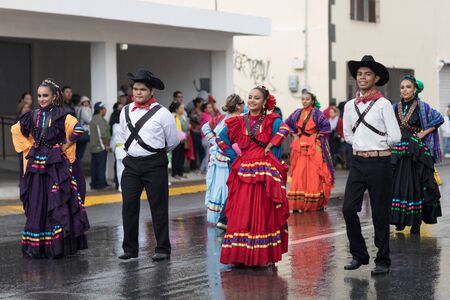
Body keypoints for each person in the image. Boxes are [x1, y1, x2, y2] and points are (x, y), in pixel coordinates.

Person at [10, 78, 89, 258]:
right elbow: (16, 130)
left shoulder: (63, 114)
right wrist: (29, 148)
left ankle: (58, 245)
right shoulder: (32, 115)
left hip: (55, 164)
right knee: (38, 201)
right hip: (37, 165)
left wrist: (63, 146)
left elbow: (78, 130)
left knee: (56, 201)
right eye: (39, 96)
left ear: (54, 96)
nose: (42, 99)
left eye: (45, 95)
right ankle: (41, 246)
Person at [342, 55, 401, 276]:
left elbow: (395, 136)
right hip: (357, 162)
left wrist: (378, 145)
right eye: (359, 74)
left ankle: (382, 260)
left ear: (376, 78)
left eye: (367, 74)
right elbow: (347, 134)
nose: (363, 77)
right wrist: (361, 144)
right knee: (348, 209)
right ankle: (359, 254)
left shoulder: (384, 104)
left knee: (380, 213)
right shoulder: (349, 106)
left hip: (380, 162)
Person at [217, 86, 289, 267]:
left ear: (264, 102)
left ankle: (260, 256)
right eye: (249, 97)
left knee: (262, 211)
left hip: (264, 172)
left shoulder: (272, 120)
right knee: (241, 211)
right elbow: (221, 139)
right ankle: (241, 255)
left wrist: (271, 145)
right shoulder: (239, 121)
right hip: (243, 171)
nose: (251, 100)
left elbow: (284, 129)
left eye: (256, 98)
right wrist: (235, 157)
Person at [118, 68, 179, 261]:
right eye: (135, 89)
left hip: (154, 165)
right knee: (128, 205)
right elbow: (122, 134)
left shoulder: (163, 114)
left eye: (142, 89)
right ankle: (130, 249)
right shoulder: (125, 111)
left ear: (151, 91)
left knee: (158, 207)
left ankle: (162, 248)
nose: (138, 92)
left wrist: (154, 154)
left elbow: (173, 140)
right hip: (131, 165)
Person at [391, 75, 443, 234]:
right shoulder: (394, 107)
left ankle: (415, 222)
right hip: (398, 148)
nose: (404, 90)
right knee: (396, 184)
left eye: (408, 87)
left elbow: (438, 119)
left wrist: (423, 133)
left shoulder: (422, 106)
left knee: (415, 184)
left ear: (415, 89)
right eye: (402, 87)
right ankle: (399, 220)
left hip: (416, 149)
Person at [281, 92, 334, 212]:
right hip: (299, 147)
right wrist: (293, 134)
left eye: (307, 99)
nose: (304, 101)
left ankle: (314, 204)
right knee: (299, 174)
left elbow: (326, 127)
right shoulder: (297, 112)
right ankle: (298, 203)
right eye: (303, 99)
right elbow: (287, 124)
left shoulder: (317, 113)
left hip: (313, 147)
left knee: (313, 174)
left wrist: (317, 137)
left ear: (312, 101)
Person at [202, 94, 245, 226]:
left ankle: (222, 217)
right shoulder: (243, 119)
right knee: (230, 186)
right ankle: (228, 217)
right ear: (238, 105)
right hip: (232, 157)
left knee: (220, 186)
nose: (245, 105)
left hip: (220, 156)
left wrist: (215, 143)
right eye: (243, 102)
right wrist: (216, 142)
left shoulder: (221, 118)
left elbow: (205, 128)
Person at [89, 101, 111, 190]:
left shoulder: (93, 119)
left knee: (94, 167)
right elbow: (102, 134)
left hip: (94, 147)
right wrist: (106, 145)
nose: (106, 110)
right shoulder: (99, 119)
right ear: (101, 109)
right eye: (104, 108)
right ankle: (101, 184)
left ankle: (94, 183)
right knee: (101, 167)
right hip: (100, 146)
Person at [171, 102, 189, 179]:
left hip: (183, 139)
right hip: (176, 139)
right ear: (176, 109)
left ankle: (180, 172)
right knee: (176, 157)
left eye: (183, 108)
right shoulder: (173, 116)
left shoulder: (183, 116)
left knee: (181, 156)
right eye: (181, 108)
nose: (183, 109)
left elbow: (186, 127)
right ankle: (174, 173)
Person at [74, 96, 92, 161]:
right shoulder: (84, 109)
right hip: (84, 130)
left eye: (87, 102)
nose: (86, 103)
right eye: (85, 102)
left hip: (79, 130)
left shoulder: (78, 109)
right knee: (80, 152)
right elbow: (89, 120)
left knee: (78, 151)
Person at [110, 123, 126, 192]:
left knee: (120, 170)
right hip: (126, 149)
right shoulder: (127, 125)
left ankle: (121, 186)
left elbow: (114, 139)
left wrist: (112, 148)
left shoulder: (115, 126)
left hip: (119, 149)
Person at [189, 97, 205, 171]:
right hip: (195, 133)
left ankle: (202, 166)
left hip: (201, 133)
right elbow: (198, 120)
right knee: (195, 150)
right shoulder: (193, 111)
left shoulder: (202, 111)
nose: (203, 104)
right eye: (201, 102)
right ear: (197, 103)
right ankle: (194, 167)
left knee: (202, 150)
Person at [199, 102, 214, 173]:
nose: (211, 109)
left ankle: (201, 169)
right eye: (209, 107)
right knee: (208, 155)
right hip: (207, 138)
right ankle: (207, 170)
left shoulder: (203, 115)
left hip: (203, 138)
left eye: (211, 107)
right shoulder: (207, 116)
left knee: (206, 154)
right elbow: (211, 127)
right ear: (205, 109)